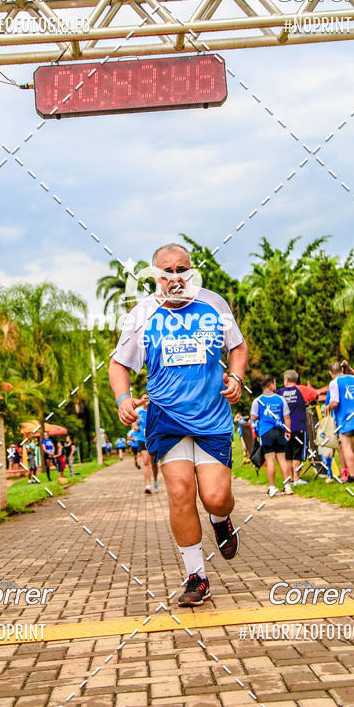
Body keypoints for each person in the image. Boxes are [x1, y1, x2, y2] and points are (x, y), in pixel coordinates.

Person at [109, 242, 247, 607]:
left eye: (181, 269)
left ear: (190, 271)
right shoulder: (142, 314)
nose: (174, 276)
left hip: (212, 416)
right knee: (181, 493)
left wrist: (235, 378)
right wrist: (124, 399)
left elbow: (238, 346)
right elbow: (119, 364)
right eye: (166, 271)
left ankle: (221, 520)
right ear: (155, 276)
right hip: (166, 418)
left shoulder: (213, 303)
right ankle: (196, 576)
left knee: (215, 497)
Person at [327, 360, 354, 482]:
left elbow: (335, 402)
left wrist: (326, 407)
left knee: (346, 446)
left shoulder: (334, 383)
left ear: (331, 373)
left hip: (345, 419)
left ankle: (352, 475)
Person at [250, 375, 291, 496]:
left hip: (265, 432)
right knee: (282, 460)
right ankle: (287, 486)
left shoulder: (257, 401)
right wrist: (288, 431)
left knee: (270, 460)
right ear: (271, 384)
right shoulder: (280, 399)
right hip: (279, 431)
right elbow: (287, 417)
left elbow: (253, 417)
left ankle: (272, 487)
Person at [277, 370, 311, 488]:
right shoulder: (302, 390)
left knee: (287, 453)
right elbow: (314, 395)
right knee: (297, 453)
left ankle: (290, 477)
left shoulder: (280, 392)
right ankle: (296, 478)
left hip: (284, 429)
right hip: (299, 426)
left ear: (286, 380)